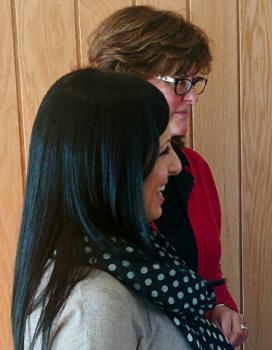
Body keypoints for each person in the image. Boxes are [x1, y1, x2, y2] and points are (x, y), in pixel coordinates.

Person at [11, 68, 234, 350]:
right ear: (113, 168)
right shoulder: (94, 307)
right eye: (164, 150)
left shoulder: (128, 265)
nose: (176, 166)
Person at [87, 6, 247, 346]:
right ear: (127, 83)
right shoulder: (91, 184)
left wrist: (220, 308)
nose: (192, 97)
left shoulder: (195, 169)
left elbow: (209, 275)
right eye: (179, 83)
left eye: (194, 82)